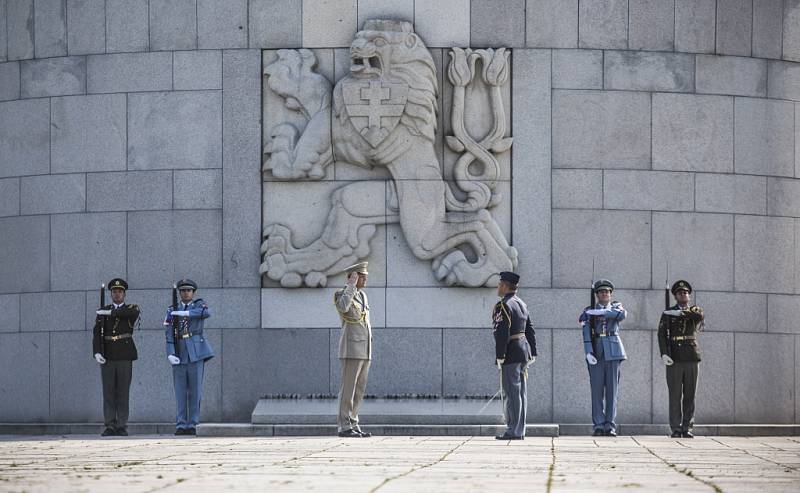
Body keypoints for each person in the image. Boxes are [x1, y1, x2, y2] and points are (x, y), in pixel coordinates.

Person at [163, 279, 214, 436]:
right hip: (179, 351)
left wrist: (186, 313)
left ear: (193, 293)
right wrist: (170, 353)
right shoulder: (172, 309)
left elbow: (206, 313)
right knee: (180, 391)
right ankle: (181, 424)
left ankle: (193, 423)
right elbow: (169, 333)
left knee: (195, 390)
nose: (186, 293)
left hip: (195, 352)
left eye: (189, 290)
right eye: (183, 290)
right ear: (179, 293)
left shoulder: (198, 305)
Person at [92, 278, 140, 437]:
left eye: (120, 292)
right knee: (109, 392)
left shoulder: (131, 308)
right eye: (114, 292)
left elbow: (129, 313)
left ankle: (121, 425)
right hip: (108, 354)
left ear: (124, 294)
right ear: (111, 294)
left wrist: (109, 312)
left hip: (124, 355)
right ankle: (110, 425)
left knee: (123, 392)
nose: (117, 294)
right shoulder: (102, 311)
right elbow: (97, 334)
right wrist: (97, 352)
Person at [492, 271, 537, 440]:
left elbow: (502, 332)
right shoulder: (522, 304)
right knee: (520, 393)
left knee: (512, 393)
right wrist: (533, 351)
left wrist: (500, 355)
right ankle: (520, 429)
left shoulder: (503, 305)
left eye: (499, 284)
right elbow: (530, 329)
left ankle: (513, 430)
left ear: (505, 285)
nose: (498, 287)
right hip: (523, 351)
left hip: (511, 352)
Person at [579, 279, 627, 437]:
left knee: (612, 390)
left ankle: (610, 425)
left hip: (613, 349)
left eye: (607, 292)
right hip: (597, 349)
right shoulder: (589, 310)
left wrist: (603, 312)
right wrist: (588, 351)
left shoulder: (616, 307)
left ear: (611, 294)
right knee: (597, 390)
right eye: (601, 292)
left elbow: (622, 315)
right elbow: (586, 331)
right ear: (597, 295)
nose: (604, 294)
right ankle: (599, 425)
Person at [658, 280, 704, 438]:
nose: (683, 295)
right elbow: (661, 335)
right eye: (679, 293)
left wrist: (681, 313)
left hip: (691, 356)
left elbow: (699, 316)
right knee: (675, 394)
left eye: (685, 293)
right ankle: (676, 428)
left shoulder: (694, 309)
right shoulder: (667, 312)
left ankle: (687, 427)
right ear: (675, 296)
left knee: (690, 394)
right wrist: (664, 353)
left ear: (689, 296)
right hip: (675, 357)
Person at [333, 262, 373, 438]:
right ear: (353, 277)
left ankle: (353, 422)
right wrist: (350, 286)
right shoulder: (341, 294)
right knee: (348, 389)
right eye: (361, 276)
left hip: (365, 348)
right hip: (351, 348)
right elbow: (343, 308)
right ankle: (344, 425)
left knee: (359, 389)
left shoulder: (363, 296)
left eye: (365, 276)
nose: (365, 279)